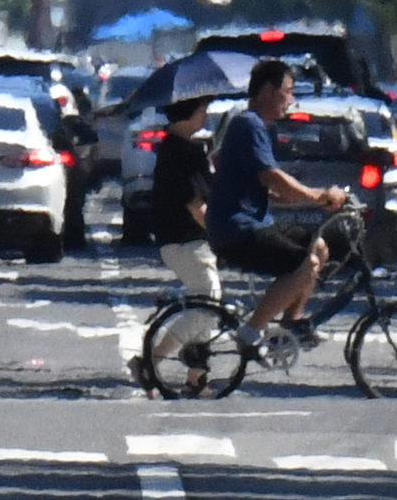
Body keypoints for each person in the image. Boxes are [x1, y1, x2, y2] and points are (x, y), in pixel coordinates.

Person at [207, 59, 347, 357]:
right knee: (305, 265)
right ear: (268, 91)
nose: (291, 100)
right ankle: (250, 331)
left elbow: (270, 190)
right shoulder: (248, 125)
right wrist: (317, 195)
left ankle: (291, 324)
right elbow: (273, 177)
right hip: (237, 229)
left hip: (253, 223)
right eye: (289, 91)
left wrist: (317, 199)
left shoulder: (260, 128)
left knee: (318, 247)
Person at [127, 95, 217, 396]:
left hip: (184, 239)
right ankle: (150, 362)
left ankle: (196, 377)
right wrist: (218, 233)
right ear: (187, 114)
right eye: (202, 111)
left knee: (205, 302)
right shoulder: (180, 152)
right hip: (184, 239)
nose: (205, 116)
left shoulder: (183, 148)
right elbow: (194, 203)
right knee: (207, 302)